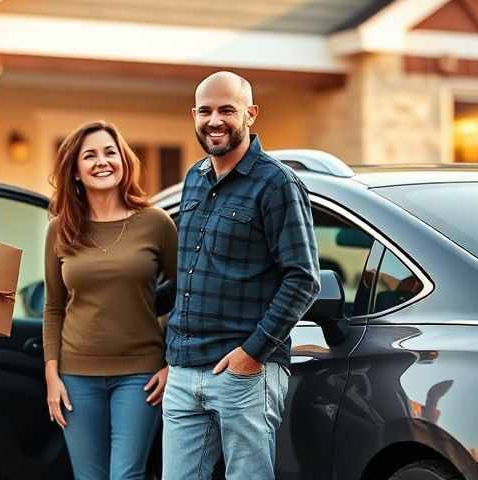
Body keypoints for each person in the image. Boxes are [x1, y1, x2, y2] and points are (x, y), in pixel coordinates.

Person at [161, 72, 321, 479]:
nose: (215, 120)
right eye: (206, 110)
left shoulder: (277, 184)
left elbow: (303, 278)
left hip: (244, 373)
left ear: (250, 114)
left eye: (227, 110)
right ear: (193, 115)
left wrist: (252, 354)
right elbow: (192, 272)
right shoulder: (195, 178)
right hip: (183, 369)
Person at [43, 120, 178, 480]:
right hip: (75, 378)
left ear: (123, 160)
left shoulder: (156, 224)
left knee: (126, 475)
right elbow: (54, 306)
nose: (102, 161)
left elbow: (187, 295)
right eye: (90, 155)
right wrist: (51, 375)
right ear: (74, 169)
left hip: (140, 376)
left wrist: (170, 364)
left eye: (109, 152)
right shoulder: (60, 229)